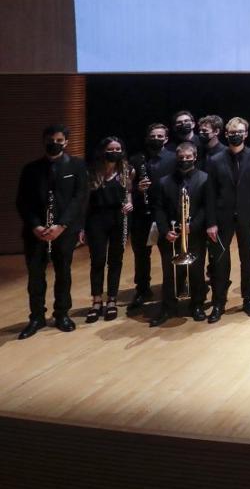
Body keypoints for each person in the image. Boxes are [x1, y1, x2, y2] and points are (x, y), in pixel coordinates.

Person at [16, 125, 88, 339]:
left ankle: (62, 314)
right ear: (43, 140)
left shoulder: (76, 165)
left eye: (59, 140)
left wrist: (62, 225)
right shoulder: (31, 169)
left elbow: (80, 198)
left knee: (63, 273)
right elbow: (22, 202)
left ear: (66, 142)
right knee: (36, 276)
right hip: (36, 232)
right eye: (50, 139)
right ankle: (36, 317)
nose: (54, 143)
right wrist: (36, 226)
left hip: (63, 231)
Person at [205, 117, 250, 321]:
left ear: (246, 134)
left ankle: (248, 299)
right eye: (232, 132)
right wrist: (211, 222)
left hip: (248, 217)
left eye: (239, 131)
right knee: (220, 262)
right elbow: (211, 194)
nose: (235, 135)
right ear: (226, 134)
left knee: (247, 260)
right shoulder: (214, 160)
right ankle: (218, 303)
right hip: (222, 218)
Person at [148, 142, 215, 327]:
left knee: (196, 271)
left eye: (188, 157)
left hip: (194, 234)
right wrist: (165, 230)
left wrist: (192, 226)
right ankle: (168, 306)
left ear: (195, 157)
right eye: (181, 158)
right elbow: (159, 209)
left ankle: (197, 305)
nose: (185, 160)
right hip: (171, 234)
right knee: (170, 272)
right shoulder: (164, 181)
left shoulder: (204, 178)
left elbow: (206, 207)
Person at [82, 137, 133, 323]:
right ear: (103, 150)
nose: (115, 151)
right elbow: (85, 201)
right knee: (97, 260)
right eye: (111, 148)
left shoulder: (127, 170)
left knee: (115, 260)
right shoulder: (92, 171)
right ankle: (96, 301)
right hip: (96, 219)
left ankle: (112, 299)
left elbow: (128, 193)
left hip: (118, 219)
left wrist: (130, 203)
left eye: (118, 148)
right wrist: (81, 227)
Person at [127, 122, 176, 311]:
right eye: (153, 136)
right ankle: (143, 289)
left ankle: (170, 288)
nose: (156, 139)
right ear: (147, 138)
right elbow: (128, 188)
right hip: (142, 213)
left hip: (164, 213)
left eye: (160, 136)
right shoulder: (137, 159)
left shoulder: (173, 159)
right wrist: (138, 190)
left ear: (166, 138)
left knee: (167, 254)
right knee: (141, 255)